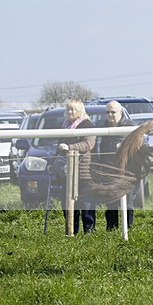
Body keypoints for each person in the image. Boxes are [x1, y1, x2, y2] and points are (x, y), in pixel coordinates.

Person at [57, 98, 96, 234]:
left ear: (80, 110)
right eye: (68, 109)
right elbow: (59, 146)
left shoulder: (87, 125)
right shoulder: (64, 125)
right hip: (66, 171)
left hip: (84, 170)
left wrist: (70, 147)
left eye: (73, 109)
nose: (70, 112)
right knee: (66, 202)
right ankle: (72, 229)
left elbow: (88, 144)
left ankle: (89, 230)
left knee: (86, 203)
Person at [97, 100, 137, 230]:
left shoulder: (130, 127)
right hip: (109, 171)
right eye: (107, 112)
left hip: (127, 171)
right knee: (111, 202)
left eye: (113, 112)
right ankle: (111, 229)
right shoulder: (102, 128)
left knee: (128, 203)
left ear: (120, 112)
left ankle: (129, 228)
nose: (110, 115)